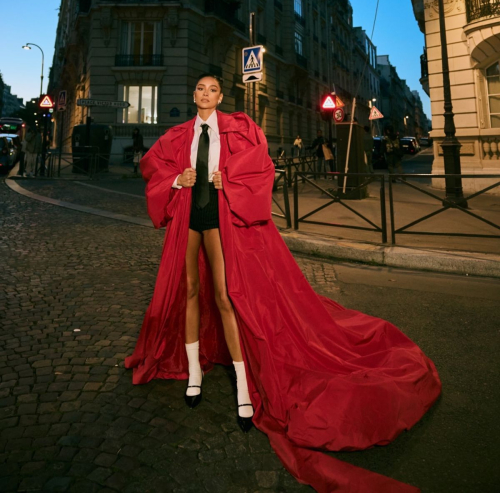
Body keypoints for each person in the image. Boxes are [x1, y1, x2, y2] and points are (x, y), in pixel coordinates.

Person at [125, 74, 441, 493]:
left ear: (221, 96)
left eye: (212, 89)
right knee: (189, 291)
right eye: (200, 89)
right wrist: (175, 181)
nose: (204, 94)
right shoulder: (178, 134)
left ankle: (242, 386)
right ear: (194, 95)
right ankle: (194, 375)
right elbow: (153, 168)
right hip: (189, 217)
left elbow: (259, 165)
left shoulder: (236, 127)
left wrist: (229, 179)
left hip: (218, 216)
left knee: (225, 296)